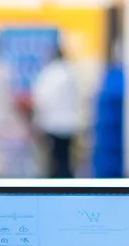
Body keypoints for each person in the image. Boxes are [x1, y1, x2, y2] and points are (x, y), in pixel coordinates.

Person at [31, 45, 80, 178]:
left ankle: (55, 190)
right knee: (65, 160)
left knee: (53, 162)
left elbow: (41, 99)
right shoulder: (70, 72)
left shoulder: (50, 74)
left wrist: (37, 122)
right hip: (69, 125)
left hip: (53, 125)